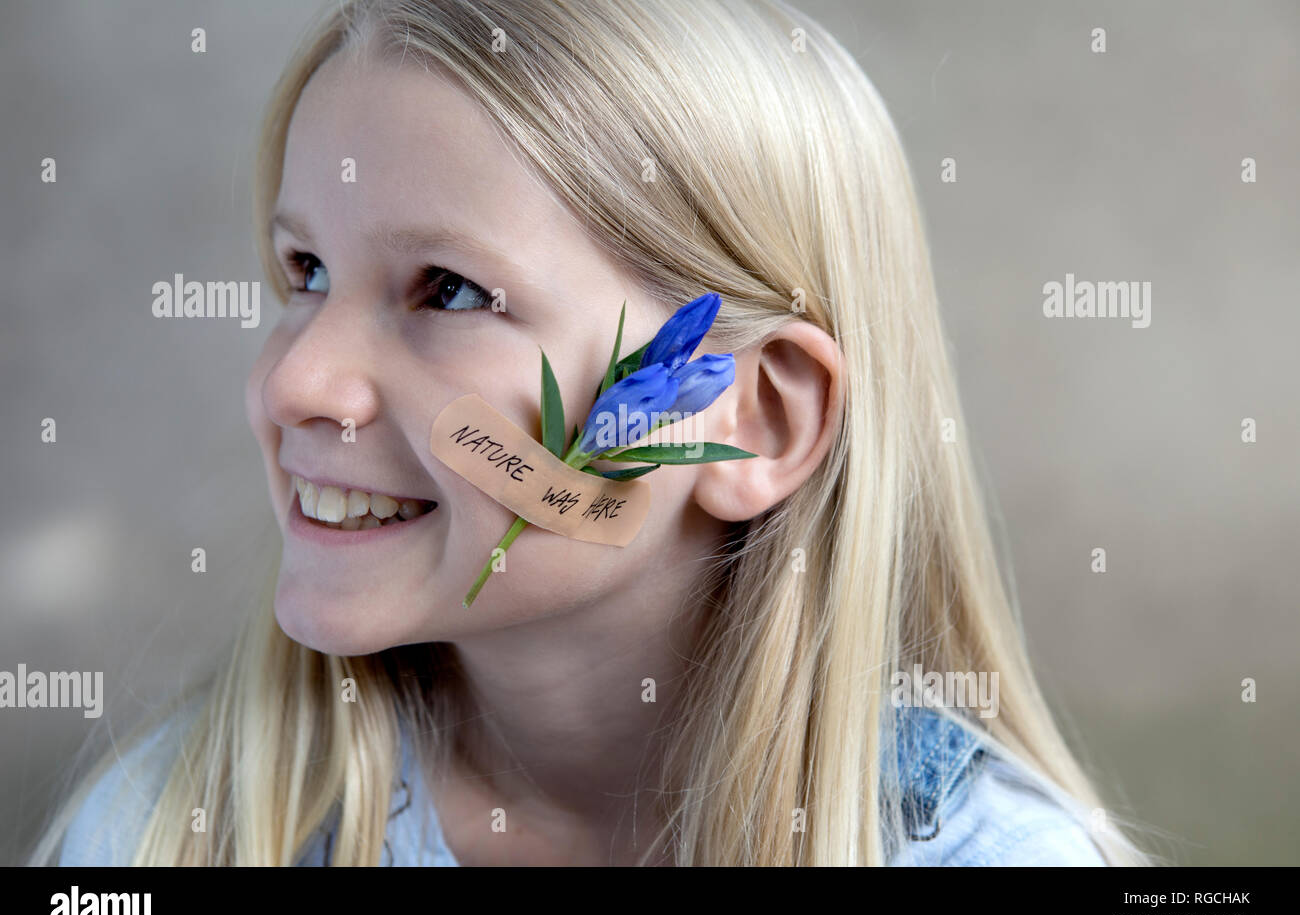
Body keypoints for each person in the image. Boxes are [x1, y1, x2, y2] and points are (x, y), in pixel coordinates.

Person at [37, 0, 1147, 866]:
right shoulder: (169, 831)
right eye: (305, 272)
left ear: (756, 415)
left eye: (452, 292)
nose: (298, 380)